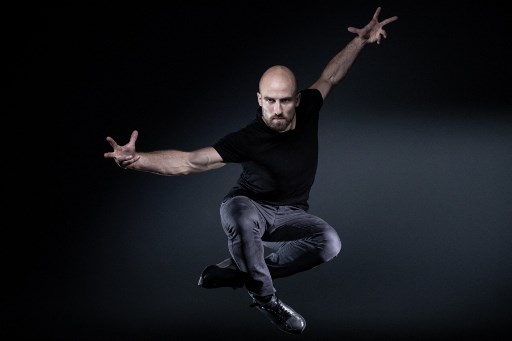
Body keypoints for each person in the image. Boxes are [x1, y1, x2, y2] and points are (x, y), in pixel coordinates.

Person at [104, 7, 398, 335]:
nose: (276, 110)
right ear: (259, 99)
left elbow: (330, 76)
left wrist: (360, 41)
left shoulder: (310, 106)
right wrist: (137, 160)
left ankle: (241, 268)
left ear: (297, 100)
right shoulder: (247, 139)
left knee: (329, 243)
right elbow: (189, 162)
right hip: (249, 208)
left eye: (284, 101)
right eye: (269, 101)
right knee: (240, 212)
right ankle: (266, 298)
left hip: (291, 213)